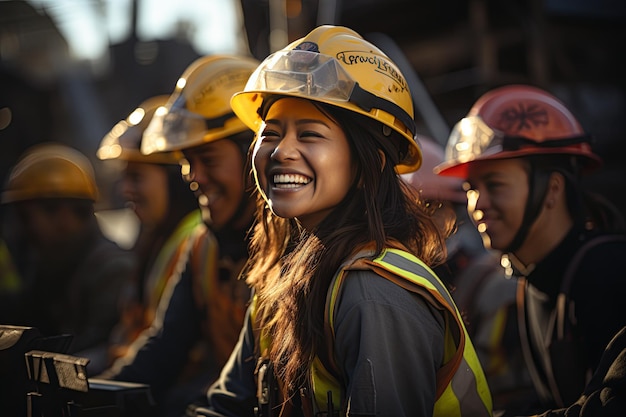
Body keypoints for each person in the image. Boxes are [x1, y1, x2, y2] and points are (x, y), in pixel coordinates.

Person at [196, 25, 493, 417]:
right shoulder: (278, 281)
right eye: (271, 133)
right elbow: (225, 405)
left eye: (310, 134)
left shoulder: (374, 294)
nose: (282, 151)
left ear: (371, 162)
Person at [434, 84, 626, 415]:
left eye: (494, 185)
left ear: (552, 188)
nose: (476, 204)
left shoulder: (608, 272)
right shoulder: (532, 280)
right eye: (470, 188)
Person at [97, 55, 259, 417]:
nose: (194, 176)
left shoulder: (295, 252)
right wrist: (94, 398)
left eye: (209, 159)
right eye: (187, 160)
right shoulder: (203, 245)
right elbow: (163, 348)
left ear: (255, 154)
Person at [0, 142, 135, 367]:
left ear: (64, 215)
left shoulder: (112, 270)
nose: (22, 229)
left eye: (26, 217)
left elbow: (99, 353)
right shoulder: (46, 264)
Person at [96, 95, 203, 369]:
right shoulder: (155, 237)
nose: (124, 189)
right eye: (124, 177)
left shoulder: (193, 240)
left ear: (176, 178)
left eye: (137, 177)